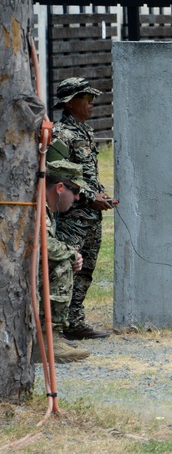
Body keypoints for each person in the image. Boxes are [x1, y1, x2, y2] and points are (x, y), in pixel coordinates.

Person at [51, 77, 113, 340]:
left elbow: (86, 173)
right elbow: (59, 177)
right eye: (86, 99)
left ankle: (75, 322)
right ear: (70, 103)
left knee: (85, 270)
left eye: (92, 98)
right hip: (72, 215)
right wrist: (90, 196)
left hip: (90, 215)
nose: (92, 104)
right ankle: (56, 327)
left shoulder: (85, 131)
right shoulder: (61, 134)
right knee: (66, 266)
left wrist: (100, 193)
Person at [36, 159, 90, 363]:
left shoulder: (45, 207)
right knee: (62, 264)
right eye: (75, 190)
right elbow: (43, 244)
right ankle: (48, 340)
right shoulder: (37, 205)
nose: (77, 198)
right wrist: (71, 255)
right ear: (59, 188)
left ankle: (49, 336)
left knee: (64, 259)